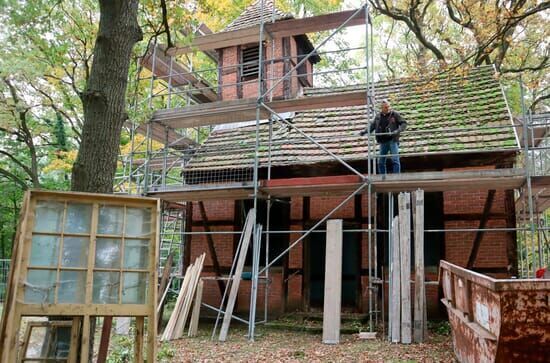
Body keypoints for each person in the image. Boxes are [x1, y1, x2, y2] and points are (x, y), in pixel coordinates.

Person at [359, 100, 407, 174]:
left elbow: (404, 123)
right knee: (381, 161)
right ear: (382, 108)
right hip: (383, 141)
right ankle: (382, 176)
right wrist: (364, 132)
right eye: (385, 107)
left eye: (388, 106)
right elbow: (372, 126)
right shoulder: (378, 116)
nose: (387, 108)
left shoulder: (395, 114)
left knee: (395, 160)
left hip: (392, 140)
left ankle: (397, 177)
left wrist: (397, 131)